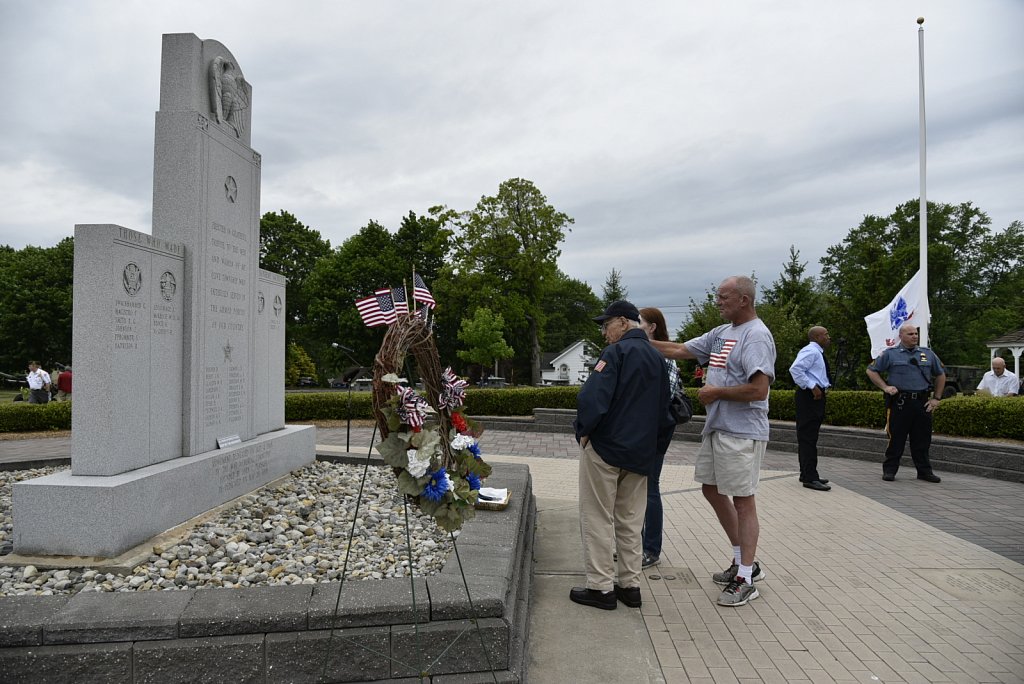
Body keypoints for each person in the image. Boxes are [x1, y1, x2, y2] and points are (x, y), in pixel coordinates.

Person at [651, 276, 776, 607]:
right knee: (711, 489)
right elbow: (680, 350)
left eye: (723, 297)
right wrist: (633, 341)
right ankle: (742, 560)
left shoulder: (756, 336)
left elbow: (759, 390)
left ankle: (746, 578)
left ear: (743, 300)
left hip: (742, 432)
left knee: (743, 501)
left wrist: (715, 391)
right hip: (719, 428)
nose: (717, 302)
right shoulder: (722, 334)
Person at [570, 300, 674, 611]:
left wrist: (583, 432)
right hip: (640, 454)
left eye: (606, 325)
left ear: (623, 322)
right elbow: (666, 412)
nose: (604, 333)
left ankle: (601, 588)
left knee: (598, 516)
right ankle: (630, 586)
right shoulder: (658, 359)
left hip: (606, 449)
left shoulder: (615, 353)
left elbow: (592, 398)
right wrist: (652, 450)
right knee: (630, 521)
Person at [865, 322, 945, 483]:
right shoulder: (891, 354)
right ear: (901, 336)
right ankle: (889, 471)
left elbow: (941, 374)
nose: (914, 336)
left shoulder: (927, 354)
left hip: (922, 403)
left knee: (922, 440)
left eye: (916, 333)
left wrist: (936, 398)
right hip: (900, 403)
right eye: (910, 334)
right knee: (896, 439)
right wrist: (885, 387)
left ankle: (924, 472)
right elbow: (871, 370)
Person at [637, 306, 681, 569]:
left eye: (639, 322)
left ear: (652, 327)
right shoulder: (639, 351)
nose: (634, 326)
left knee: (650, 487)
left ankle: (651, 549)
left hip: (654, 432)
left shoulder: (664, 356)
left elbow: (665, 395)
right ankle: (636, 545)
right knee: (638, 488)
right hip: (641, 431)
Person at [788, 326, 833, 491]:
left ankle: (807, 472)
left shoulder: (817, 352)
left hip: (815, 396)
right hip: (809, 396)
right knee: (808, 437)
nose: (829, 337)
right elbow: (795, 369)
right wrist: (812, 386)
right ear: (817, 337)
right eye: (826, 334)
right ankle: (809, 477)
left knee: (811, 437)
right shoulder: (811, 351)